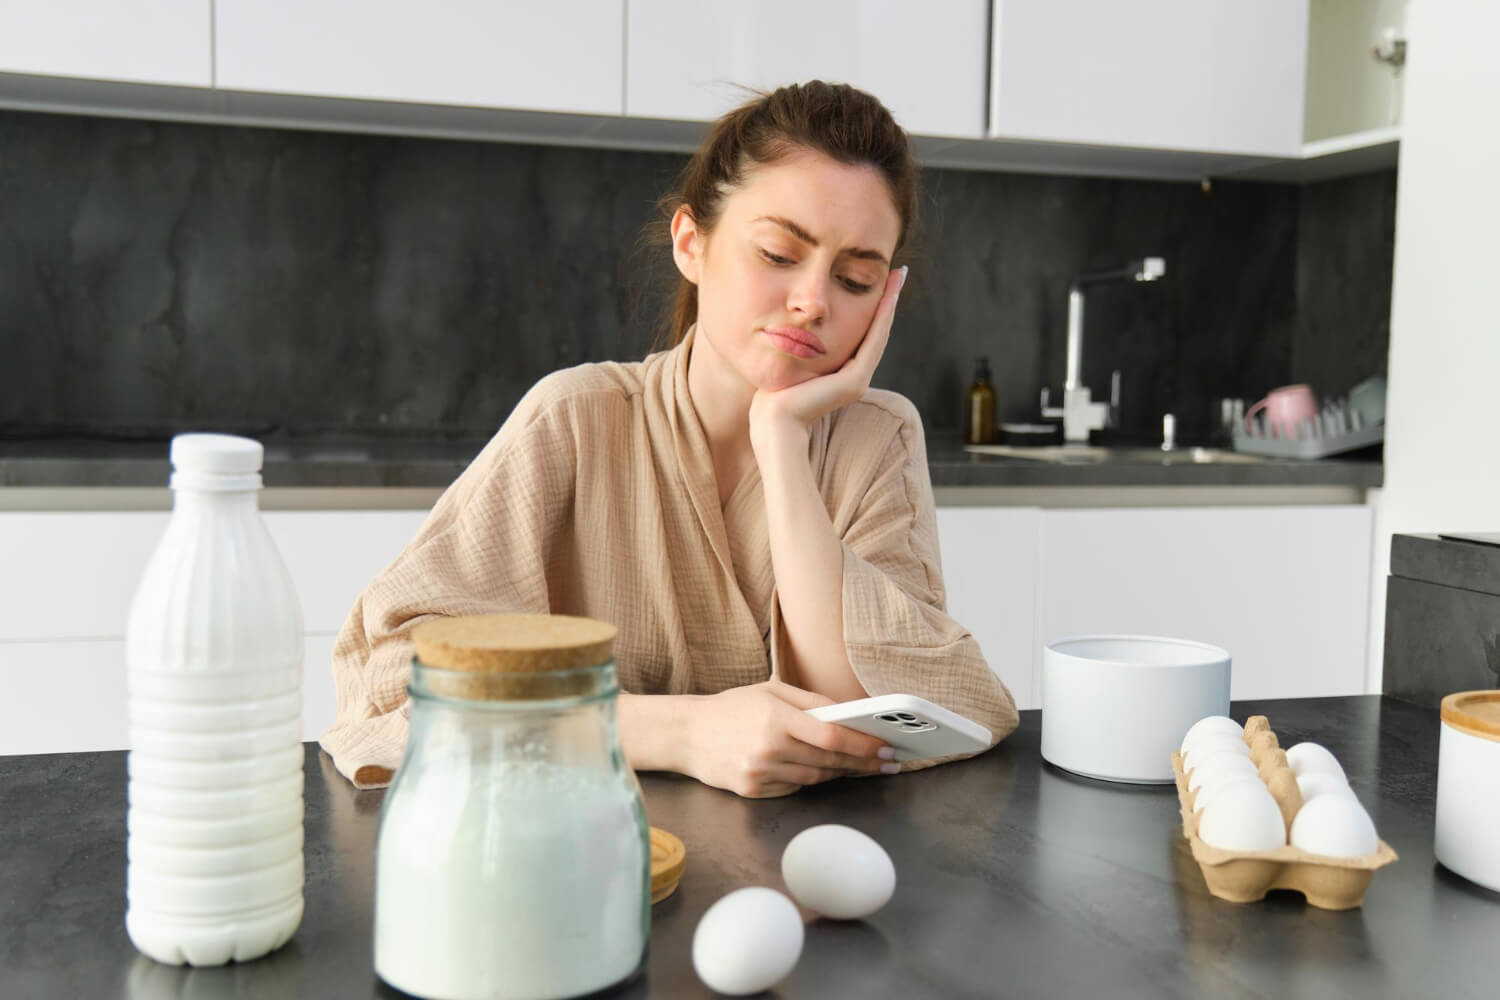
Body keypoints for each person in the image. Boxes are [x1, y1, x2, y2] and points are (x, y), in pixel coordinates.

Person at [321, 81, 1019, 798]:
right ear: (692, 243)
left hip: (800, 865)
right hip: (579, 848)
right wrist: (678, 732)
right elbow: (402, 685)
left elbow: (866, 714)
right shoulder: (576, 418)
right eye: (780, 254)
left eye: (855, 278)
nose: (814, 301)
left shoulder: (877, 438)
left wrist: (779, 437)